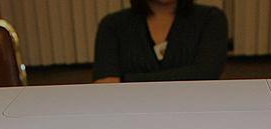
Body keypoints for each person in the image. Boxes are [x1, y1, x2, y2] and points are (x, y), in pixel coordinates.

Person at [93, 0, 228, 83]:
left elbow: (206, 74)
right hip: (130, 113)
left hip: (195, 111)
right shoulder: (112, 25)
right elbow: (105, 83)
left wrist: (126, 80)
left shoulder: (211, 18)